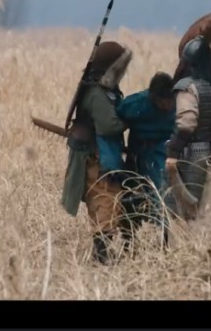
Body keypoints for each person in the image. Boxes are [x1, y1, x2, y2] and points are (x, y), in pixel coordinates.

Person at [60, 41, 132, 264]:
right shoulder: (96, 94)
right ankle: (101, 256)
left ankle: (103, 254)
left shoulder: (104, 91)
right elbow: (109, 125)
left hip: (103, 155)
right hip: (96, 158)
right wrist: (132, 116)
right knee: (104, 201)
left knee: (110, 201)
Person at [164, 35, 211, 220]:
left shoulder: (187, 88)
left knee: (184, 212)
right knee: (210, 211)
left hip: (191, 155)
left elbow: (187, 124)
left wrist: (173, 153)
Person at [116, 71, 177, 247]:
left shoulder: (180, 105)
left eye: (169, 100)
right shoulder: (135, 104)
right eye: (162, 101)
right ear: (152, 97)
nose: (167, 104)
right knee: (131, 199)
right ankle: (129, 241)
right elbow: (113, 121)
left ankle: (167, 240)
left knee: (163, 198)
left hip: (165, 158)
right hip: (138, 157)